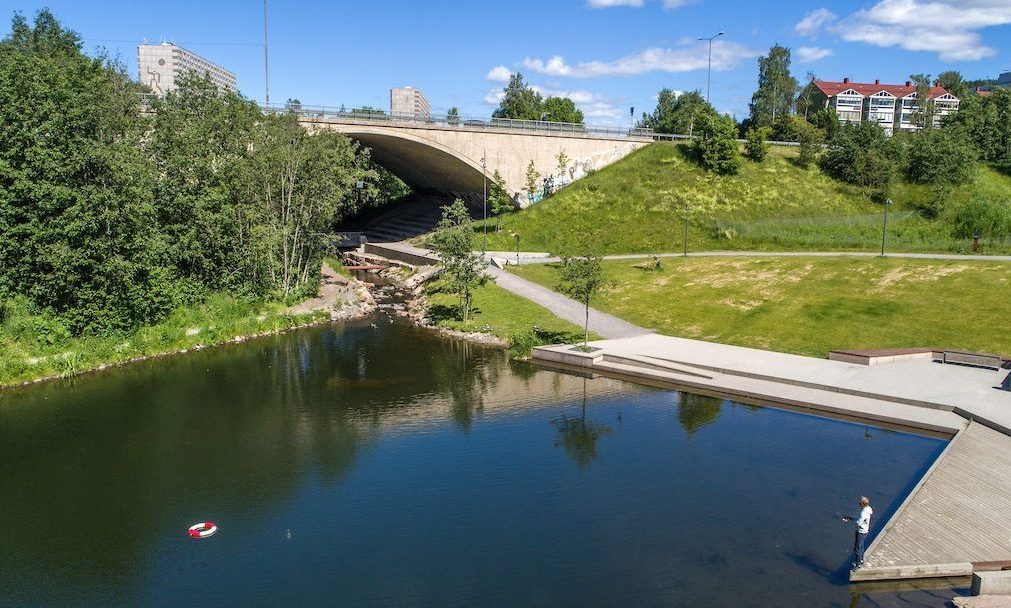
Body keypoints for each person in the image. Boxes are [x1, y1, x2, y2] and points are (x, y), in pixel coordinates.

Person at [842, 496, 872, 571]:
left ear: (862, 504)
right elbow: (859, 518)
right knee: (861, 546)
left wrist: (847, 520)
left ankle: (858, 564)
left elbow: (858, 522)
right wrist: (850, 518)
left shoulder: (863, 513)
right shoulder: (868, 509)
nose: (859, 504)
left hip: (861, 532)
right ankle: (861, 560)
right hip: (864, 531)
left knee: (857, 548)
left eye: (860, 503)